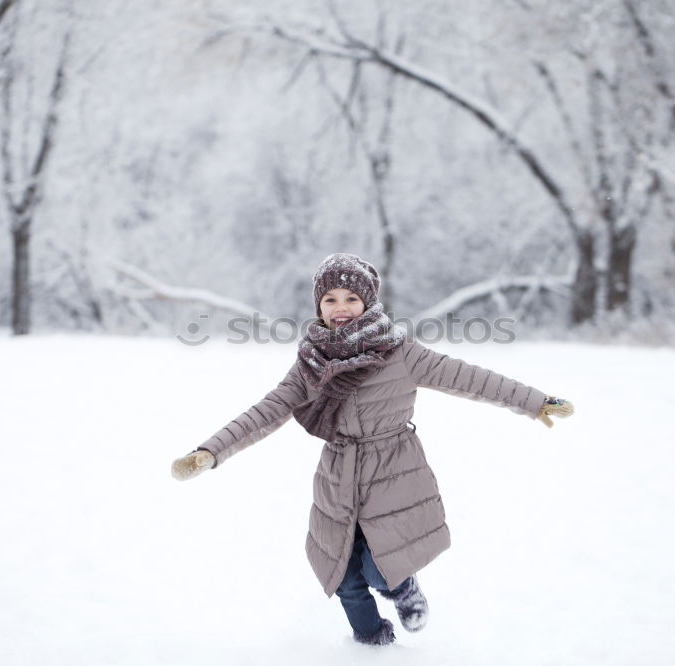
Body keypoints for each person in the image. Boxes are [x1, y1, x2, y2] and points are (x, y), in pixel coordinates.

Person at [172, 253, 574, 646]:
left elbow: (469, 378)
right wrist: (210, 452)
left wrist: (535, 401)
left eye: (351, 298)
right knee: (343, 574)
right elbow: (267, 410)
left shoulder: (400, 352)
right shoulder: (311, 362)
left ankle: (403, 590)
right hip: (338, 472)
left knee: (381, 567)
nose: (341, 308)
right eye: (330, 299)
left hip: (393, 468)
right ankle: (369, 642)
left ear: (368, 303)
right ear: (318, 306)